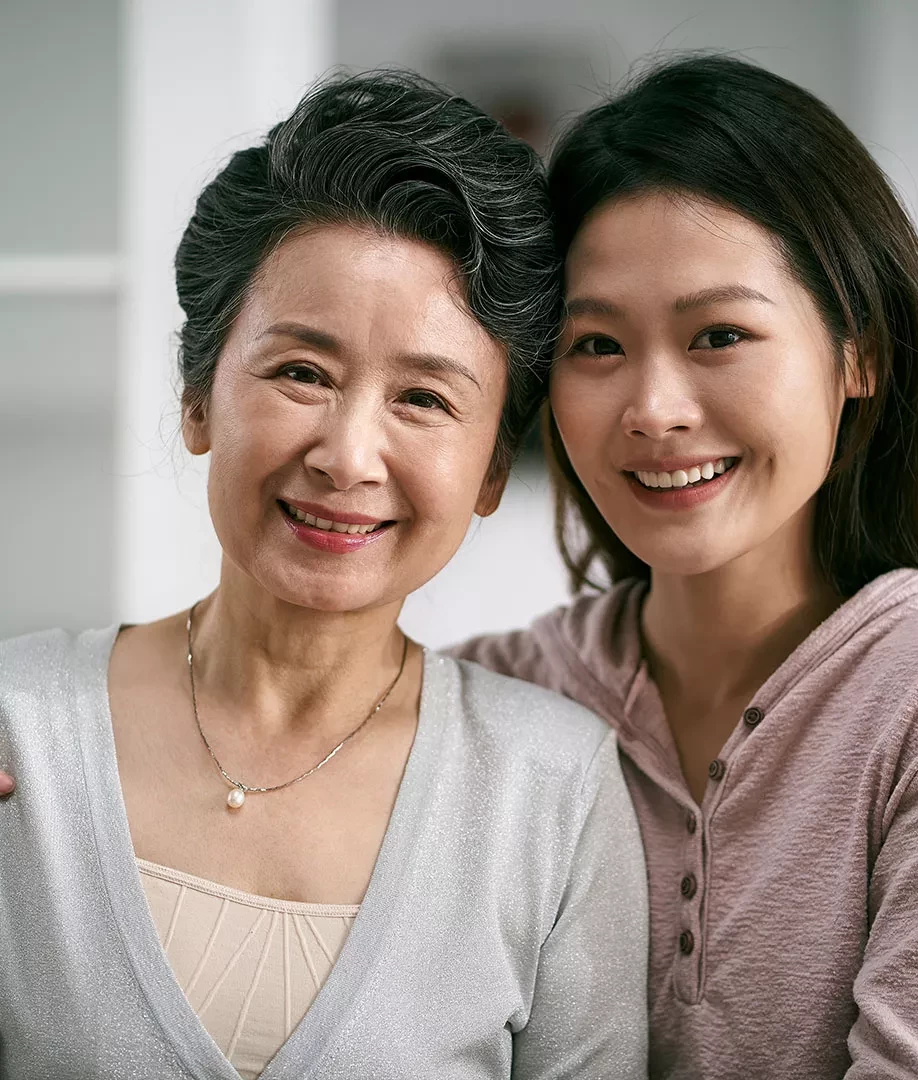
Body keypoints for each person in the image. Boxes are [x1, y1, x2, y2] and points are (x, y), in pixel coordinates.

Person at [0, 72, 648, 1080]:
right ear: (199, 398)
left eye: (425, 399)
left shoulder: (551, 792)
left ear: (488, 470)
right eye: (302, 371)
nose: (348, 456)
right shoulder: (19, 740)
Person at [450, 55, 918, 1078]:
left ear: (860, 353)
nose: (654, 408)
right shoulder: (490, 697)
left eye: (720, 334)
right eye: (597, 346)